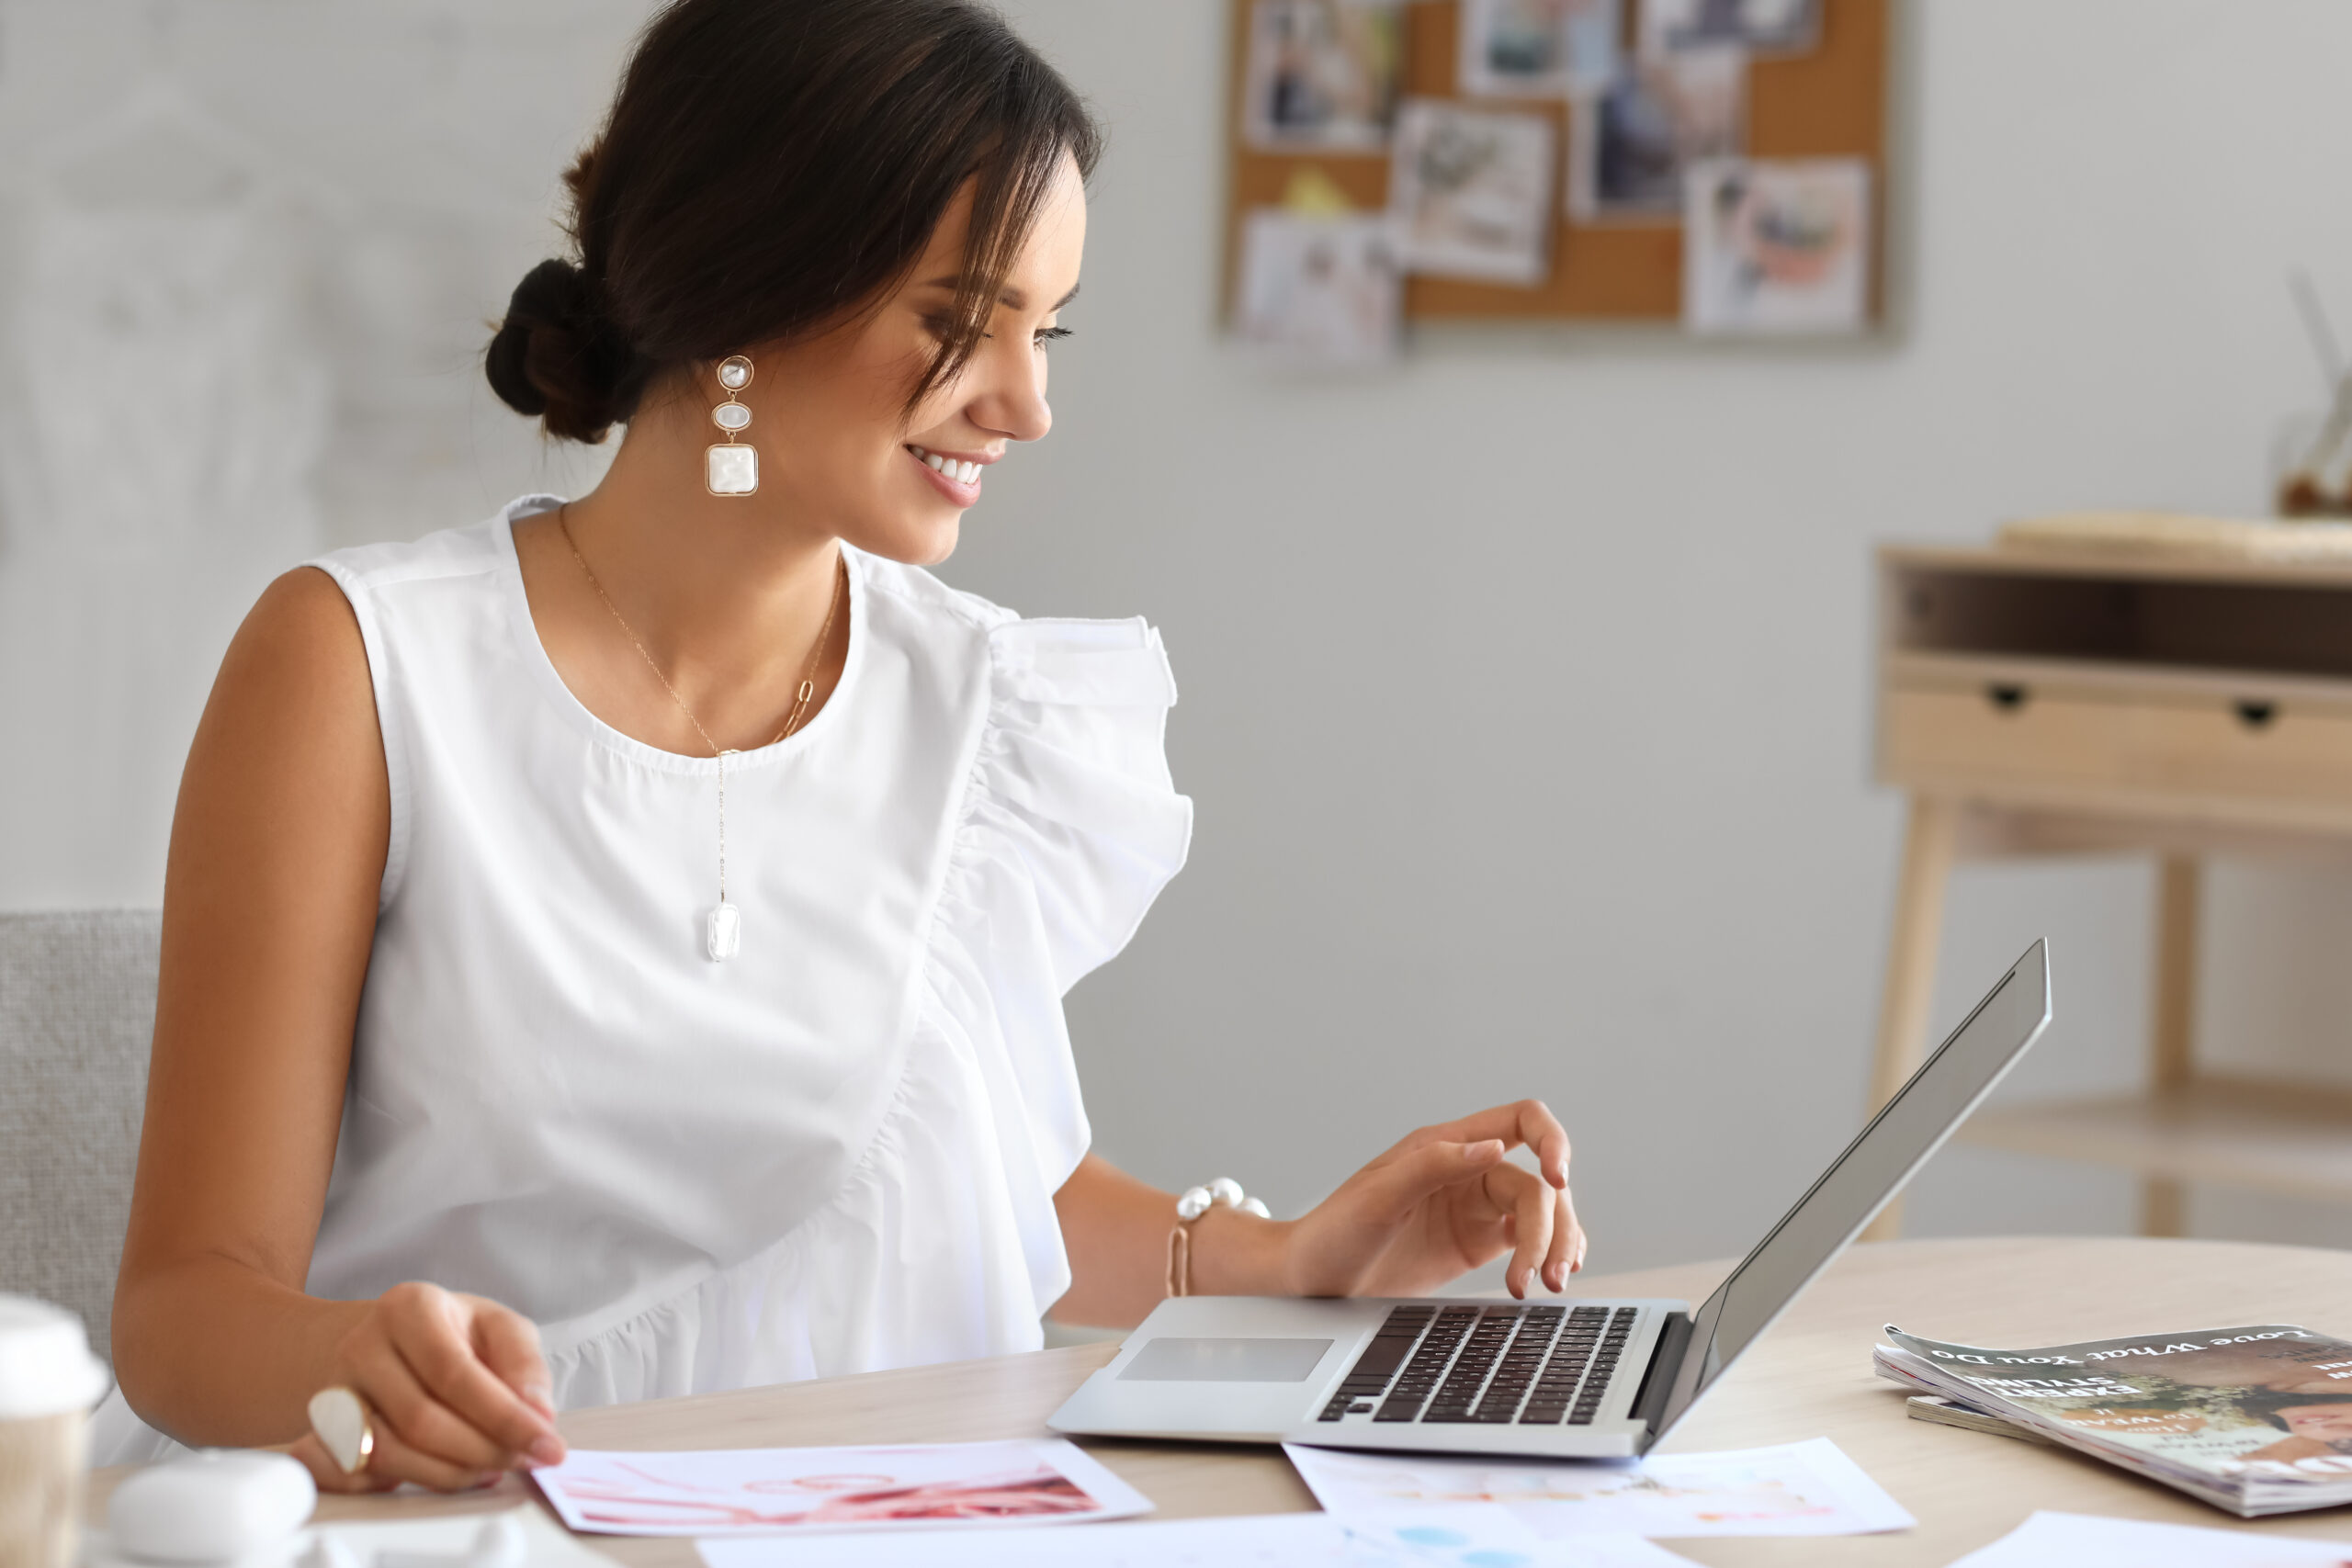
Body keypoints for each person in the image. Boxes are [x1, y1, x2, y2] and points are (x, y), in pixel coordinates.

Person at [97, 0, 1585, 1490]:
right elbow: (185, 1316)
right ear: (744, 285)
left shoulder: (989, 712)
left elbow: (954, 1187)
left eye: (1043, 329)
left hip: (886, 1515)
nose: (1027, 404)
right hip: (490, 1522)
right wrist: (355, 1356)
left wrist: (1295, 1256)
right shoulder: (362, 667)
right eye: (956, 322)